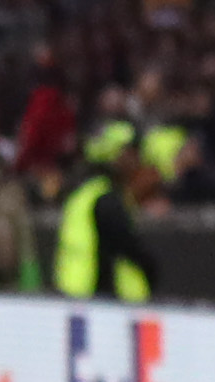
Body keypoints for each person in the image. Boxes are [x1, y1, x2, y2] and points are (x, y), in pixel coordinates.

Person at [54, 122, 157, 300]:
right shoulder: (107, 199)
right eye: (132, 152)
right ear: (118, 155)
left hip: (75, 293)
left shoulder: (83, 195)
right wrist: (151, 267)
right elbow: (126, 245)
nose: (138, 159)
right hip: (100, 298)